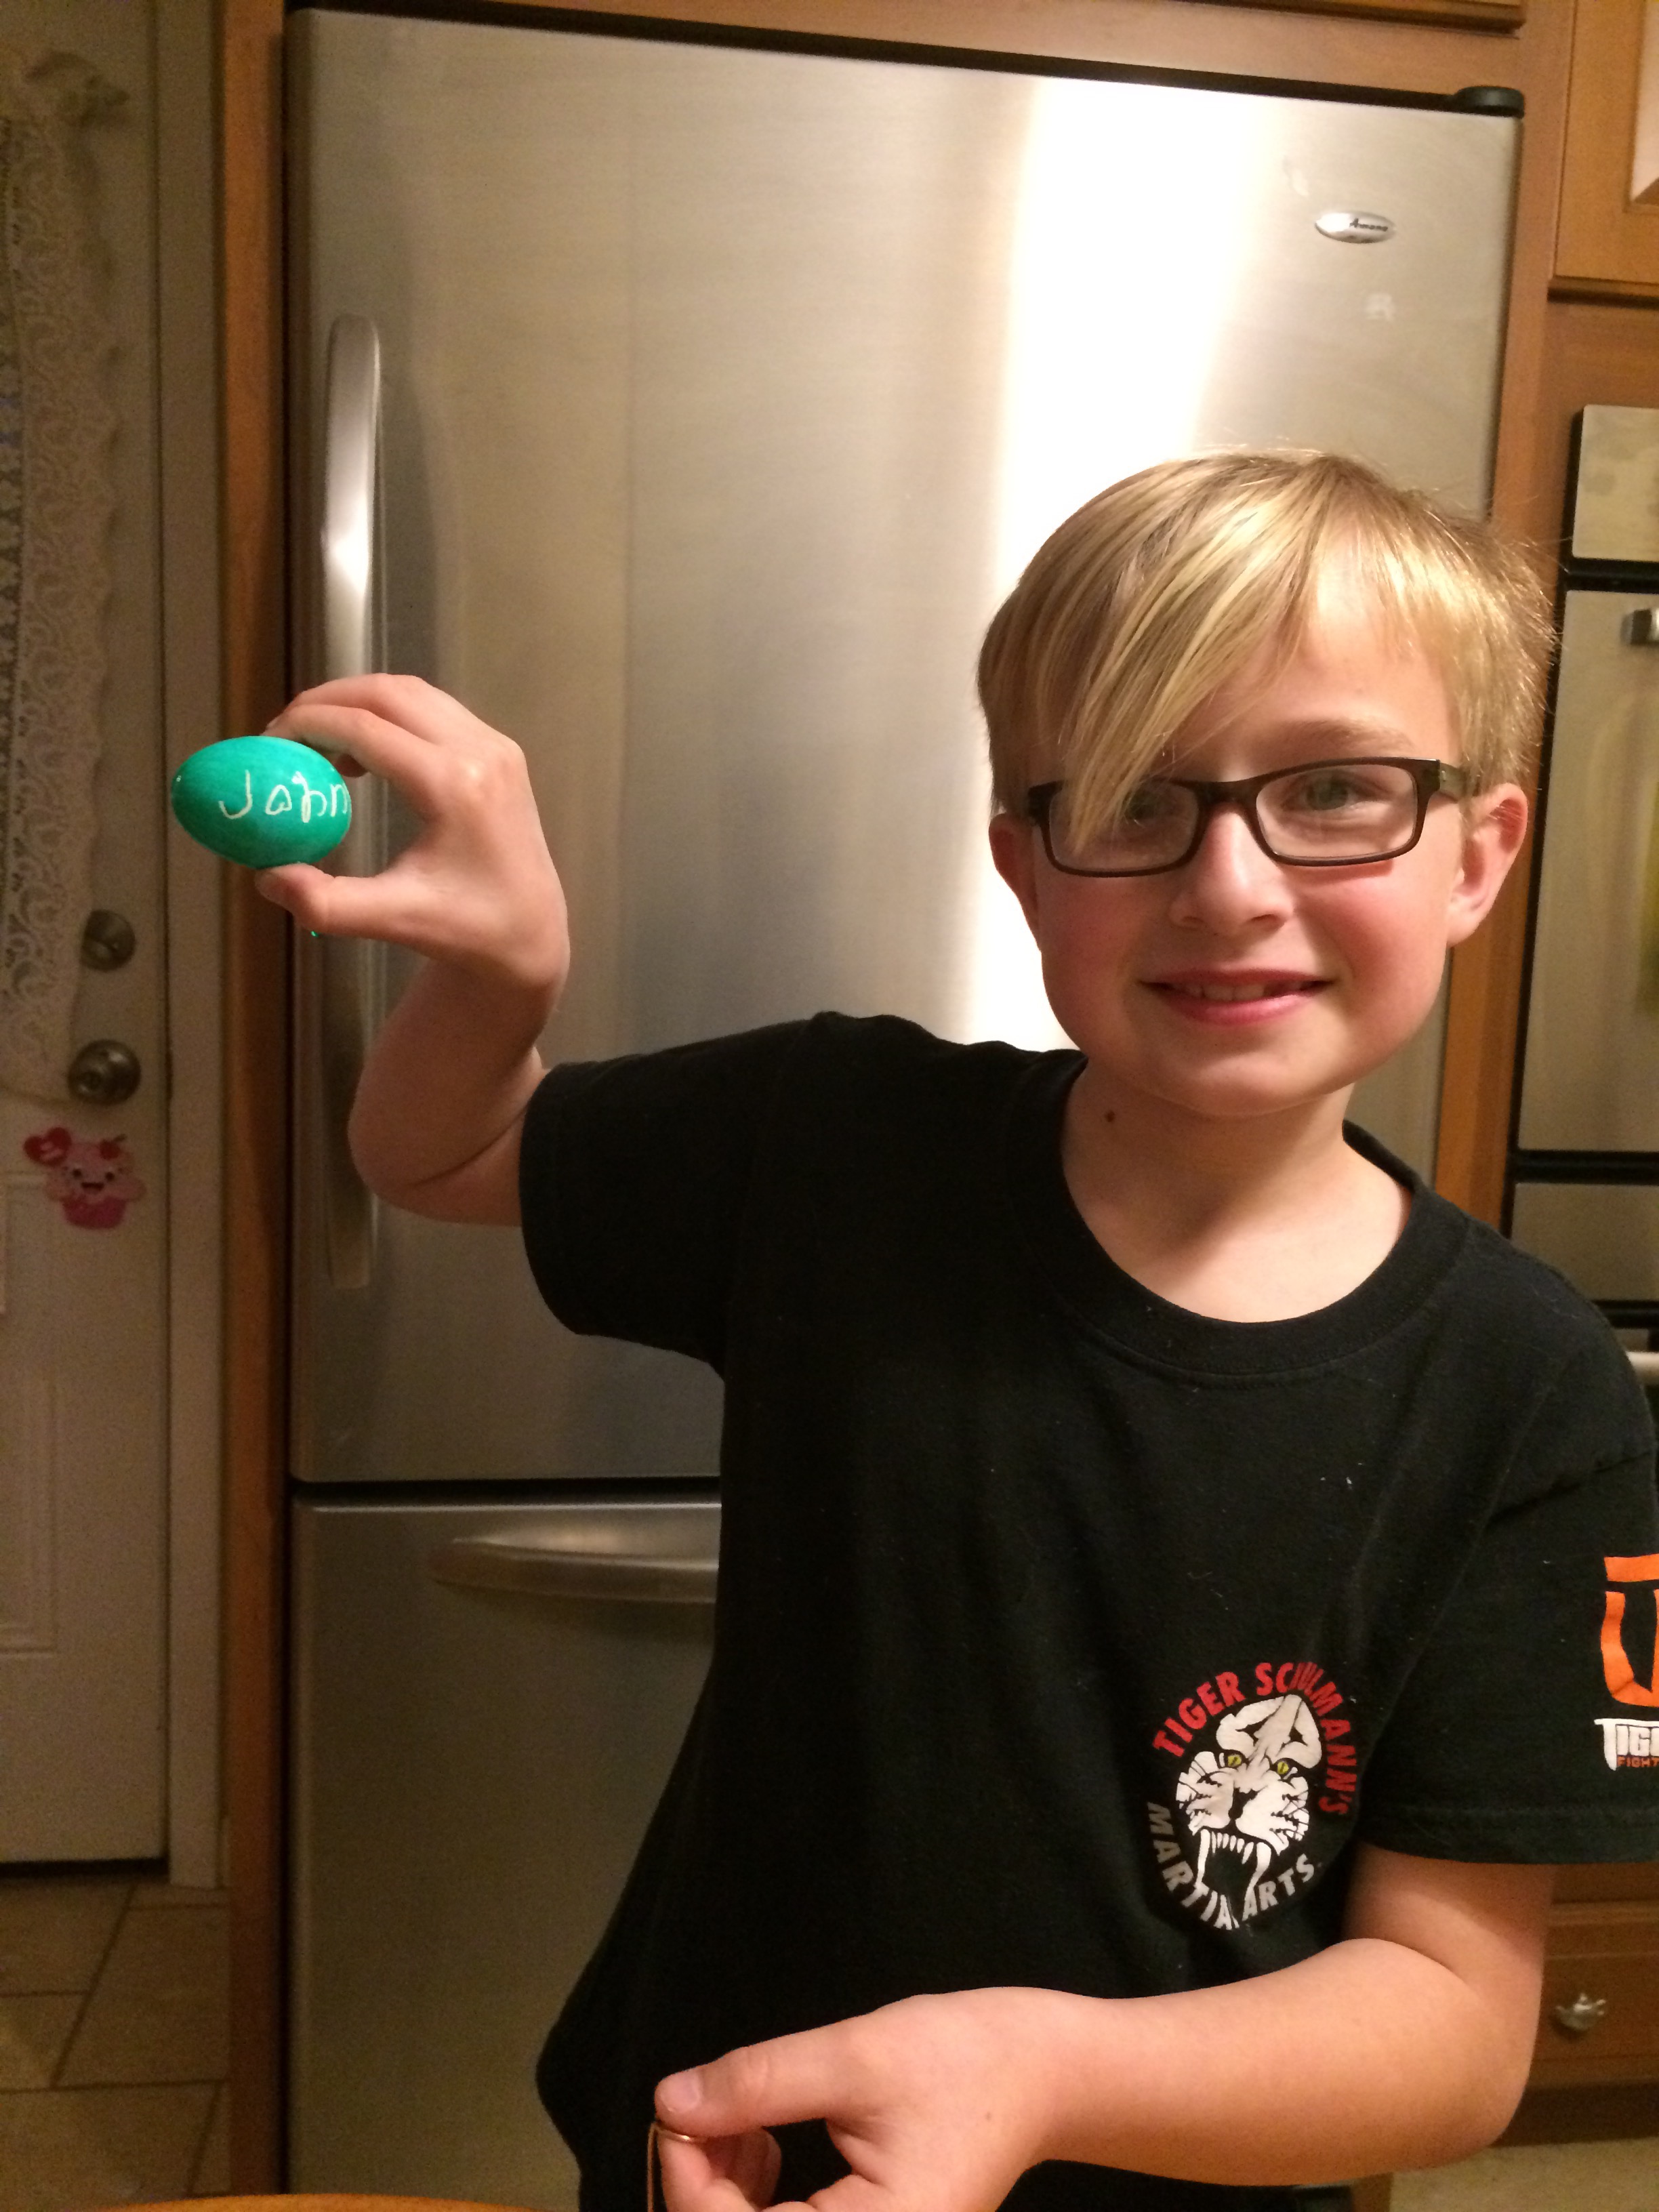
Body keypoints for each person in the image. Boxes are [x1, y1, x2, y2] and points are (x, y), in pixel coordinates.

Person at [257, 451, 1659, 2212]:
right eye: (1133, 800)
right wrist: (495, 984)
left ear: (1479, 853)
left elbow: (1454, 2028)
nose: (1229, 885)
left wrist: (1035, 2076)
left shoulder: (1533, 1396)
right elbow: (440, 1152)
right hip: (722, 2153)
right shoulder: (837, 1141)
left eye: (1336, 789)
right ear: (1022, 864)